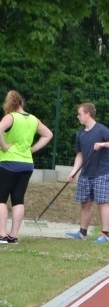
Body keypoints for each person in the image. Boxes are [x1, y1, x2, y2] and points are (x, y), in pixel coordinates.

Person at [0, 90, 53, 244]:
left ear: (9, 104)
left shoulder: (10, 117)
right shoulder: (33, 119)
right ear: (22, 103)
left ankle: (2, 234)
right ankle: (13, 236)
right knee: (18, 199)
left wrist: (3, 146)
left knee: (1, 199)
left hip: (9, 162)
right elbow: (48, 134)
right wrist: (32, 149)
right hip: (27, 163)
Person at [66, 103, 109, 243]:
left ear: (87, 114)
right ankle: (82, 233)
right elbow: (79, 155)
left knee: (102, 202)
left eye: (79, 114)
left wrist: (103, 144)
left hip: (101, 172)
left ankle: (105, 234)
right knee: (85, 203)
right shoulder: (80, 134)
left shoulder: (101, 129)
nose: (78, 116)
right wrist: (73, 172)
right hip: (86, 173)